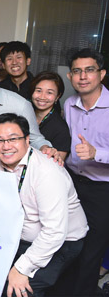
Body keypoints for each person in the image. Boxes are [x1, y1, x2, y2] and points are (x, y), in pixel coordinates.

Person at [0, 113, 87, 297]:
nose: (6, 146)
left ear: (27, 140)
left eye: (13, 139)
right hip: (22, 238)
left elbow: (55, 232)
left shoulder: (47, 172)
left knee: (17, 290)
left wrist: (21, 269)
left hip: (63, 242)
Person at [61, 48, 109, 295]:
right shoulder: (69, 104)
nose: (83, 76)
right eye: (77, 71)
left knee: (92, 251)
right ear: (70, 76)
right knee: (68, 243)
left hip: (102, 189)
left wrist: (96, 153)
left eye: (89, 70)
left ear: (101, 73)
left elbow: (93, 152)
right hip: (71, 183)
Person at [29, 72, 70, 160]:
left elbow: (57, 165)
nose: (42, 97)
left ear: (57, 97)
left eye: (49, 93)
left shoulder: (61, 128)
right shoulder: (24, 114)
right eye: (38, 91)